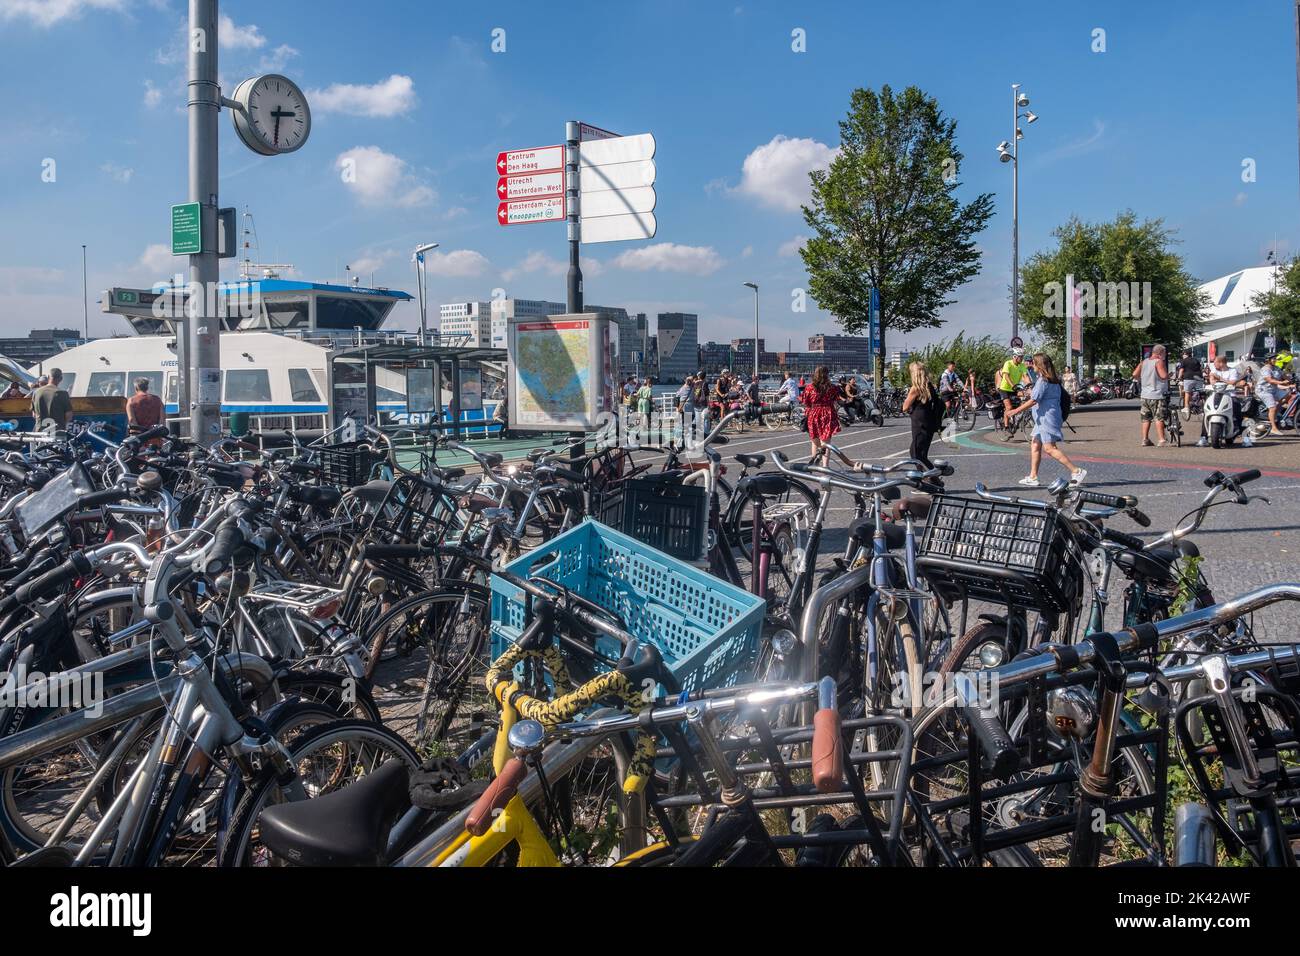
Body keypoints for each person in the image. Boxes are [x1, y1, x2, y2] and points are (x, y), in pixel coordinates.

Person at [1008, 353, 1086, 487]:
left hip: (1046, 418)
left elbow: (1034, 400)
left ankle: (1076, 471)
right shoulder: (1052, 380)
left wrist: (1015, 411)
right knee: (1035, 444)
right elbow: (1039, 396)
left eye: (1033, 362)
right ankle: (1033, 476)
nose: (1032, 365)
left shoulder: (1043, 380)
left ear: (1039, 365)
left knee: (1050, 448)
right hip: (1045, 417)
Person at [901, 361, 943, 469]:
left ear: (914, 374)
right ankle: (926, 477)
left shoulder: (915, 388)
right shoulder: (929, 386)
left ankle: (932, 478)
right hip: (930, 422)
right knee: (920, 454)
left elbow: (905, 407)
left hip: (919, 423)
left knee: (916, 454)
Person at [801, 366, 842, 462]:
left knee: (814, 440)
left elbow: (806, 402)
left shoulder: (810, 387)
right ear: (827, 375)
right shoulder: (832, 387)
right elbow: (837, 398)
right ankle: (825, 466)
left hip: (814, 413)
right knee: (826, 441)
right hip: (828, 413)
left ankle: (815, 464)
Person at [1133, 345, 1170, 446]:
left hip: (1145, 395)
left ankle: (1145, 439)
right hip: (1157, 394)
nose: (1165, 355)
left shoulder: (1144, 362)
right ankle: (1161, 440)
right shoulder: (1159, 362)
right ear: (1160, 353)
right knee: (1159, 417)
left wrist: (1143, 378)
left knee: (1146, 418)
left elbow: (1135, 374)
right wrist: (1168, 375)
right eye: (1164, 353)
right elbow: (1163, 376)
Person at [1255, 353, 1293, 436]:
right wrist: (1282, 382)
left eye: (1275, 358)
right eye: (1273, 359)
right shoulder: (1265, 369)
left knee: (1288, 394)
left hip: (1274, 390)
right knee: (1273, 407)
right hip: (1264, 390)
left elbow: (1284, 376)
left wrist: (1292, 378)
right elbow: (1270, 380)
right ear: (1268, 360)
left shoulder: (1276, 368)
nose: (1275, 360)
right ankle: (1273, 428)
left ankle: (1275, 413)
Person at [997, 347, 1031, 424]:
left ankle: (1016, 418)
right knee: (1009, 407)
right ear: (1015, 356)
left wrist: (1029, 385)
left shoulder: (1022, 365)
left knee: (1023, 401)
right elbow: (1006, 376)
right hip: (1004, 389)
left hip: (1015, 389)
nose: (1022, 359)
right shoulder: (1008, 363)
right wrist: (1013, 386)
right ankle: (1006, 425)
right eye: (1020, 357)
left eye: (1022, 357)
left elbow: (1025, 376)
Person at [1176, 349, 1204, 418]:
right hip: (1198, 378)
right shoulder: (1196, 360)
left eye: (1183, 354)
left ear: (1185, 354)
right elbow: (1200, 369)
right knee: (1199, 392)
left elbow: (1181, 370)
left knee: (1187, 392)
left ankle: (1186, 407)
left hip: (1188, 378)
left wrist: (1178, 378)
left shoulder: (1184, 361)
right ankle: (1200, 406)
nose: (1182, 355)